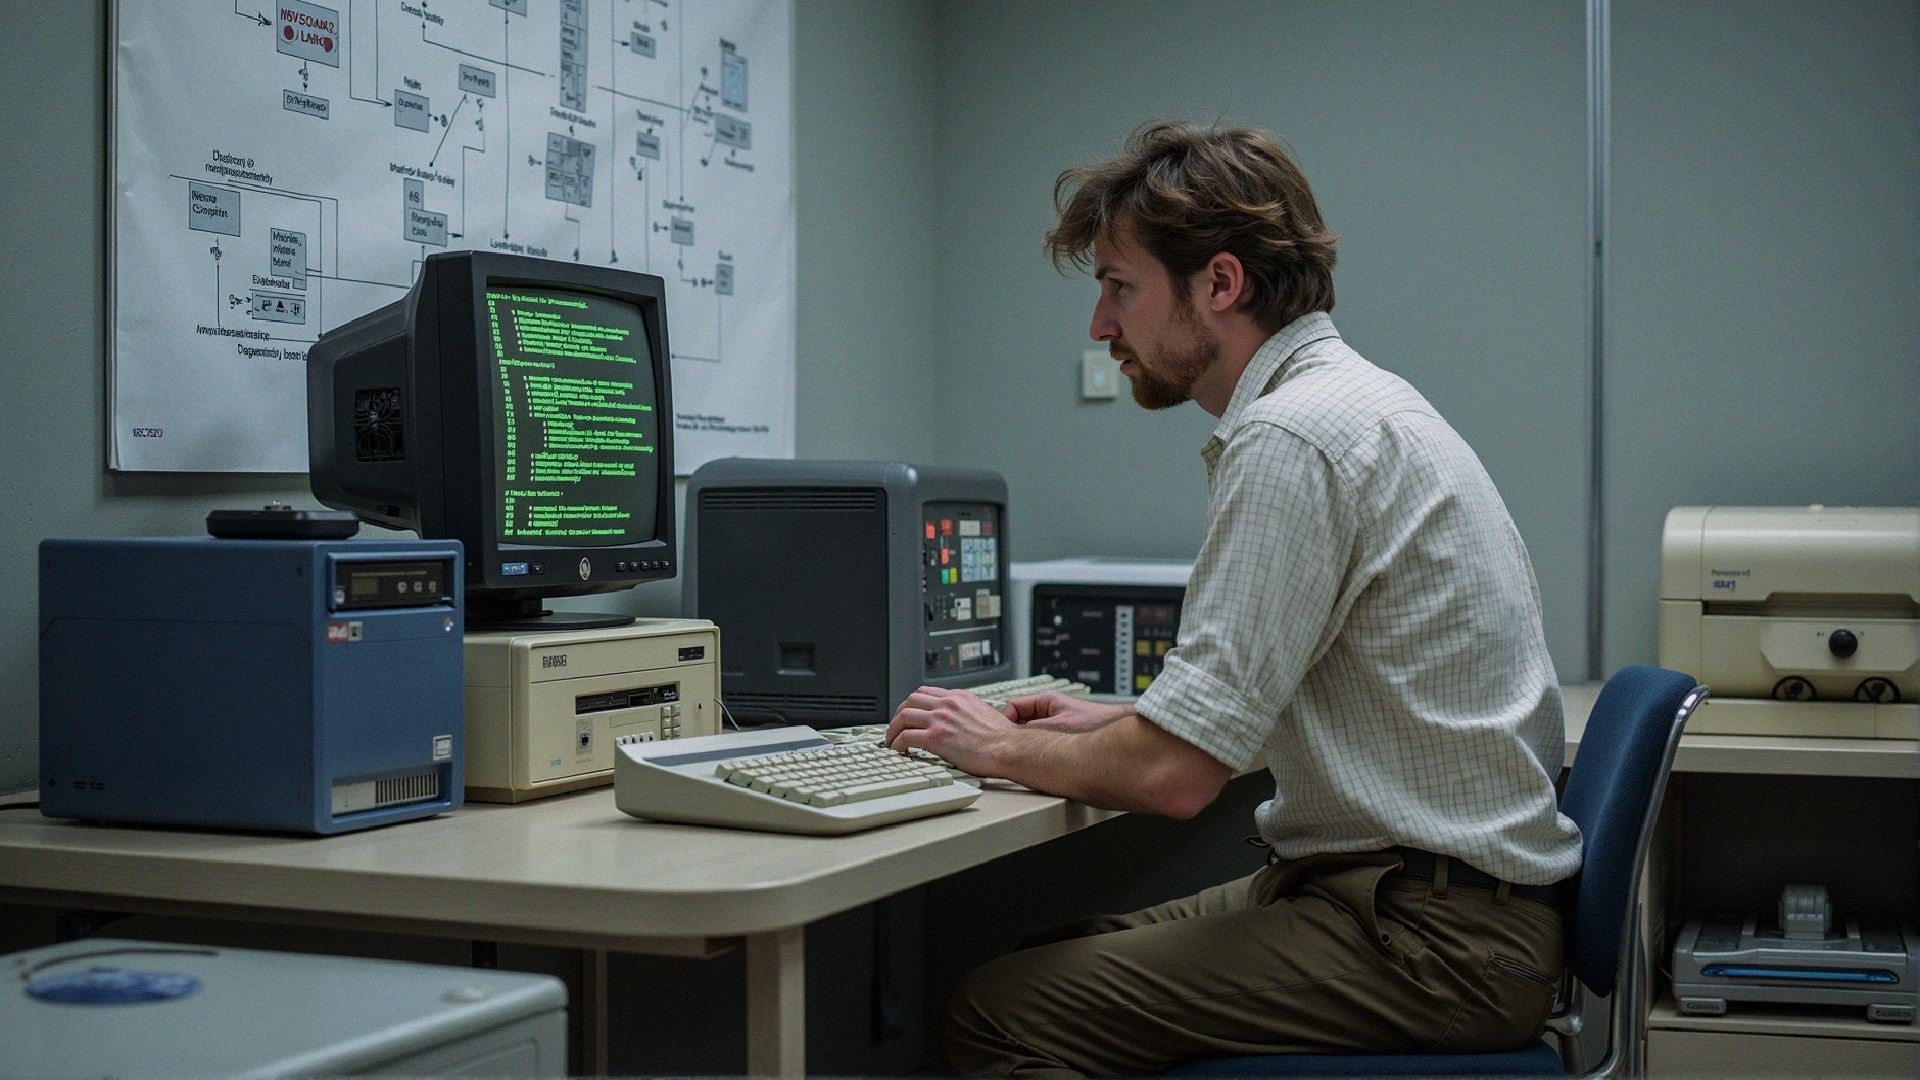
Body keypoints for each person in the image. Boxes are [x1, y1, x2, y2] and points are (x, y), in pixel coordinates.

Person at [884, 120, 1582, 1077]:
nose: (1100, 327)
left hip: (1429, 945)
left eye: (1120, 288)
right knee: (1042, 962)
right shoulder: (1362, 403)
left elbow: (1174, 780)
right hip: (1417, 903)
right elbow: (1296, 700)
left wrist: (995, 744)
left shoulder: (1293, 438)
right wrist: (1123, 720)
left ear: (1219, 284)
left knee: (999, 1013)